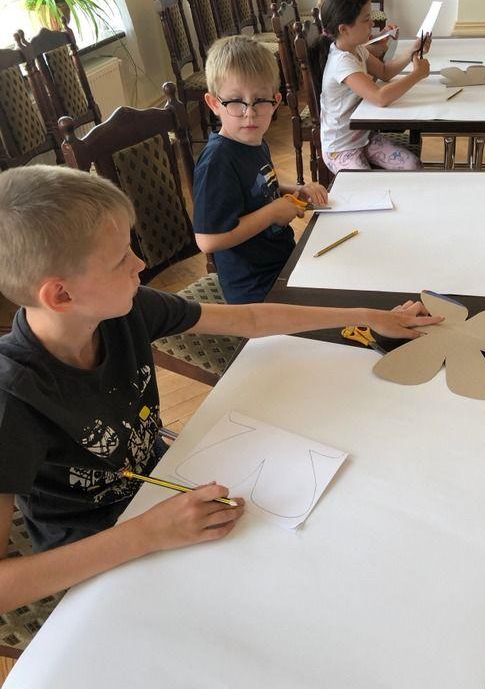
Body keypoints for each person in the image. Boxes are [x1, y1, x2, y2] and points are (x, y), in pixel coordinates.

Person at [0, 165, 442, 611]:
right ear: (61, 296)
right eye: (120, 260)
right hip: (96, 556)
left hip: (163, 488)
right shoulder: (12, 398)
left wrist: (370, 316)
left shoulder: (125, 310)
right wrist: (148, 532)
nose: (140, 264)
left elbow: (250, 318)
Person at [193, 35, 328, 304]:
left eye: (259, 100)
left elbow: (260, 186)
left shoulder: (253, 140)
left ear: (275, 101)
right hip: (254, 290)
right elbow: (208, 240)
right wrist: (272, 213)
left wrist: (298, 190)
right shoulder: (217, 161)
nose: (250, 113)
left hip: (282, 264)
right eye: (235, 101)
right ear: (214, 104)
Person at [314, 0, 431, 175]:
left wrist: (413, 50)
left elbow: (385, 72)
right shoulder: (341, 62)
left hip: (364, 137)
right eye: (366, 19)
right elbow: (380, 97)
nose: (372, 24)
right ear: (344, 29)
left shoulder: (356, 48)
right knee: (365, 184)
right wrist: (416, 75)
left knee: (412, 165)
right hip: (340, 148)